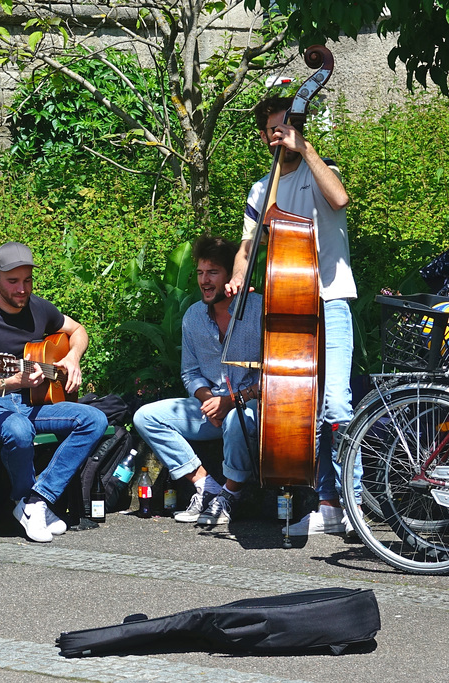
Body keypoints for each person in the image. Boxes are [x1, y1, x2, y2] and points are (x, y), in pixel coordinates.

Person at [227, 96, 359, 536]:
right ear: (264, 136)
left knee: (336, 405)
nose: (276, 135)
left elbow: (339, 200)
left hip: (330, 299)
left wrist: (308, 150)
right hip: (286, 307)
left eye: (285, 126)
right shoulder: (260, 189)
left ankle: (352, 500)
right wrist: (236, 280)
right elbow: (248, 247)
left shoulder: (322, 169)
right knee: (303, 408)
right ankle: (325, 504)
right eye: (270, 129)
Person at [0, 242, 108, 542]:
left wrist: (72, 357)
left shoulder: (39, 308)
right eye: (13, 281)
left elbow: (78, 331)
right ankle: (25, 502)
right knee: (19, 428)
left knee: (94, 420)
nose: (22, 289)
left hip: (32, 402)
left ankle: (37, 501)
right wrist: (11, 383)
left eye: (27, 280)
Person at [134, 236, 261, 527]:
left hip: (254, 408)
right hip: (211, 408)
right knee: (146, 416)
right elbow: (190, 373)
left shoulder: (259, 310)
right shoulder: (193, 316)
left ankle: (230, 494)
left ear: (232, 276)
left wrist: (231, 402)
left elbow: (276, 376)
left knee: (235, 419)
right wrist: (209, 401)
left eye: (213, 272)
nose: (204, 280)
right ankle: (205, 485)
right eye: (201, 272)